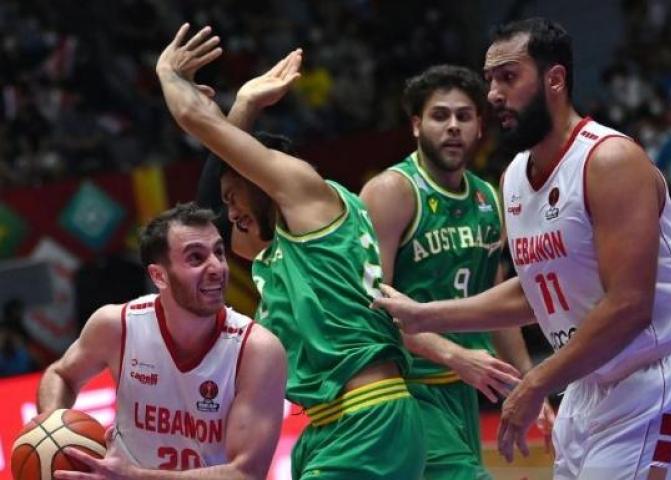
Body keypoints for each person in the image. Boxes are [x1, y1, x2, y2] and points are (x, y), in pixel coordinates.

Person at [373, 17, 671, 480]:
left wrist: (537, 380)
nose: (494, 94)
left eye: (508, 77)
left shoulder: (610, 161)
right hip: (589, 380)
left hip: (659, 376)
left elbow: (629, 305)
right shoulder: (514, 178)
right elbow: (534, 289)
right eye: (490, 80)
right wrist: (429, 315)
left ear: (554, 79)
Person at [157, 24, 425, 479]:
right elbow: (206, 220)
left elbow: (195, 119)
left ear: (262, 178)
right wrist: (242, 107)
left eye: (234, 195)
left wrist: (167, 72)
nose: (231, 212)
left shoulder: (307, 195)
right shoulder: (285, 243)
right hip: (328, 427)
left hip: (368, 418)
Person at [360, 64, 554, 480]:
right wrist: (452, 353)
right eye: (439, 116)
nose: (453, 127)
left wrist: (526, 382)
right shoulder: (391, 191)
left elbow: (496, 306)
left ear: (480, 128)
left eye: (463, 117)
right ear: (416, 126)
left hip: (462, 387)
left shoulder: (488, 197)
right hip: (405, 387)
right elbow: (370, 308)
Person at [38, 203, 287, 480]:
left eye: (218, 252)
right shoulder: (117, 325)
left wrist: (134, 476)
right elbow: (61, 374)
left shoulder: (256, 349)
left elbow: (247, 473)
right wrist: (52, 429)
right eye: (196, 258)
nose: (217, 267)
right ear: (158, 275)